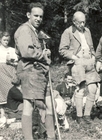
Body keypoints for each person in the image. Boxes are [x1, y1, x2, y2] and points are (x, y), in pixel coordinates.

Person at [14, 2, 55, 140]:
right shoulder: (24, 30)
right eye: (35, 15)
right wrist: (43, 55)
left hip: (41, 72)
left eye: (40, 16)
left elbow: (36, 50)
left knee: (50, 104)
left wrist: (45, 52)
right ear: (28, 15)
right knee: (29, 106)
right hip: (30, 71)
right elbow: (27, 52)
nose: (38, 19)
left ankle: (51, 136)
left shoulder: (35, 32)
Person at [59, 11, 100, 125]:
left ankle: (87, 115)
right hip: (78, 62)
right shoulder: (68, 32)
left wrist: (93, 58)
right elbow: (62, 50)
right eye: (80, 22)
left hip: (89, 61)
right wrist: (74, 57)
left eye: (84, 22)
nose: (82, 24)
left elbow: (91, 46)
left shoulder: (87, 31)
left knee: (93, 88)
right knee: (81, 88)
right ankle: (79, 116)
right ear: (74, 22)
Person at [0, 31, 18, 126]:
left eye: (7, 40)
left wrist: (12, 62)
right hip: (1, 73)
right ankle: (3, 115)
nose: (6, 41)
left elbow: (17, 63)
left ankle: (12, 114)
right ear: (0, 40)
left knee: (12, 90)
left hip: (11, 72)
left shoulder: (12, 50)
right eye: (4, 40)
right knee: (2, 93)